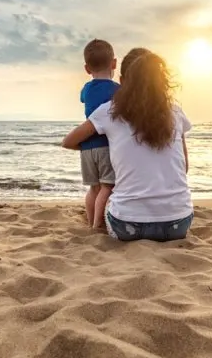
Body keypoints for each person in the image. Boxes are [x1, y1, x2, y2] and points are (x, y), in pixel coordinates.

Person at [62, 48, 193, 241]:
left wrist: (112, 147)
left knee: (109, 196)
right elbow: (185, 168)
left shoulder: (109, 111)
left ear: (122, 82)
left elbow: (68, 141)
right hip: (178, 224)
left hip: (128, 226)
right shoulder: (175, 112)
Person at [78, 39, 120, 229]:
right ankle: (97, 225)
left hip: (86, 146)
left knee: (93, 188)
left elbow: (82, 99)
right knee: (107, 187)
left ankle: (90, 220)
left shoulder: (86, 89)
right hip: (105, 144)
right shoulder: (117, 90)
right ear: (114, 64)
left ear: (87, 69)